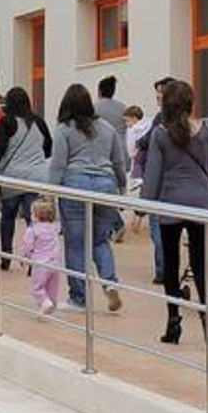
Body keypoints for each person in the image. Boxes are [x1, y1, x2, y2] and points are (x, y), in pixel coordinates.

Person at [140, 79, 208, 345]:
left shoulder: (160, 134)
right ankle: (207, 321)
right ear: (190, 103)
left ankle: (173, 321)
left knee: (172, 263)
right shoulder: (205, 130)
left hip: (170, 204)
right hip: (200, 202)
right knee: (200, 264)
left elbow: (152, 175)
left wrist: (143, 208)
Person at [48, 83, 129, 312]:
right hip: (106, 185)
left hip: (75, 185)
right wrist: (122, 185)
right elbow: (118, 160)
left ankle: (79, 298)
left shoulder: (64, 129)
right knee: (100, 240)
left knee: (75, 244)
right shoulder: (106, 128)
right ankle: (109, 282)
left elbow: (58, 165)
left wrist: (50, 195)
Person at [0, 85, 51, 266]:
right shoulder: (39, 122)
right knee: (33, 218)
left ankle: (6, 255)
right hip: (37, 176)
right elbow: (48, 147)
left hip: (12, 176)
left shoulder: (6, 122)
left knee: (8, 216)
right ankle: (35, 256)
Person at [133, 78, 173, 284]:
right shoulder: (187, 120)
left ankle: (163, 270)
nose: (157, 97)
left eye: (161, 92)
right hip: (179, 184)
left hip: (160, 182)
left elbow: (146, 141)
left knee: (159, 227)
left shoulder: (161, 118)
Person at [22, 197, 62, 315]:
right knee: (52, 287)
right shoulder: (55, 227)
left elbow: (27, 246)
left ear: (35, 215)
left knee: (38, 287)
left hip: (40, 263)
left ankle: (45, 303)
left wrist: (25, 257)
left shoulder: (32, 230)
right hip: (55, 263)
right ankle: (52, 303)